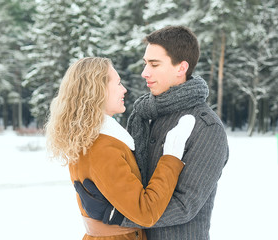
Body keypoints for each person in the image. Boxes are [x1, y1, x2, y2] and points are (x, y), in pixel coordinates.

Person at [75, 26, 229, 240]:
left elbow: (185, 206)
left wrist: (116, 216)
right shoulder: (142, 116)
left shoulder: (206, 128)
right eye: (145, 63)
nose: (144, 72)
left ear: (181, 68)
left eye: (154, 64)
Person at [45, 56, 196, 240]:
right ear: (98, 90)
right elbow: (145, 212)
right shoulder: (102, 148)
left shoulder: (90, 139)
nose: (124, 89)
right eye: (118, 83)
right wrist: (171, 157)